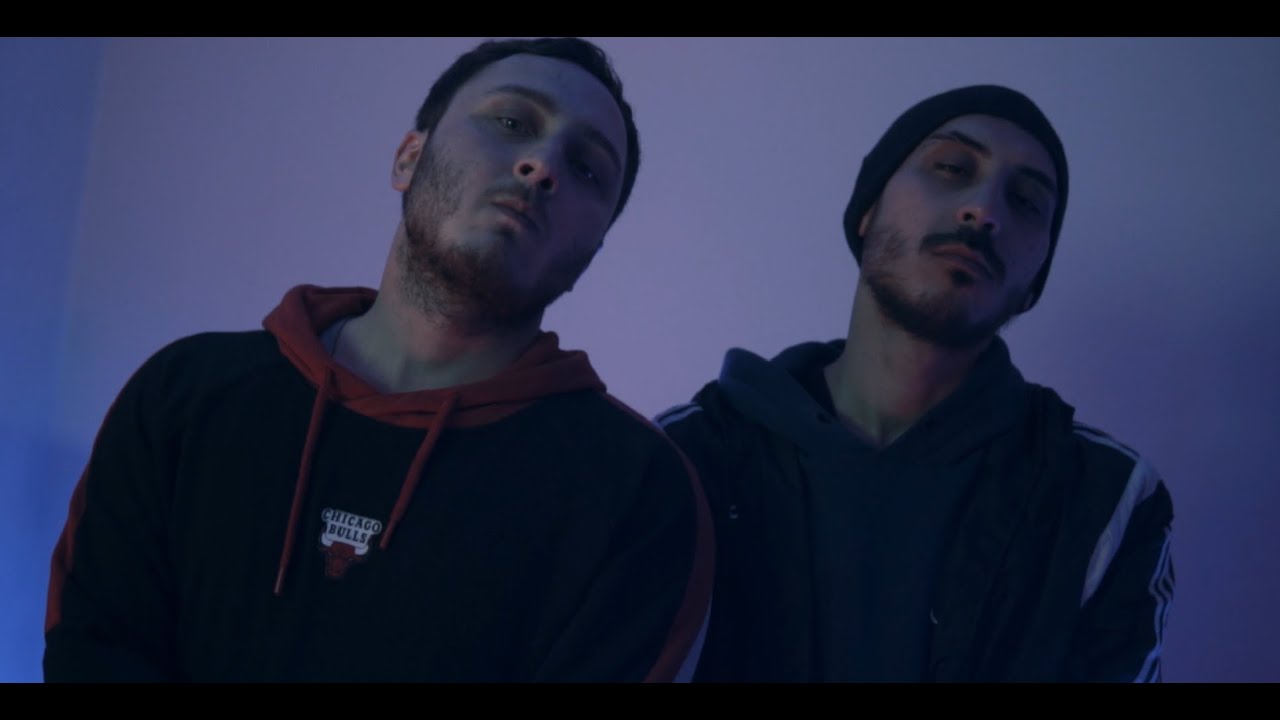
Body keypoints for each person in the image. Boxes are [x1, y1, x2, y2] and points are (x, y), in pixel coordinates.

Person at [45, 37, 713, 682]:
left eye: (588, 168)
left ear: (591, 253)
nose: (543, 166)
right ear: (408, 160)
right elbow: (94, 649)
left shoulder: (636, 493)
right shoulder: (186, 397)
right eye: (512, 122)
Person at [658, 85, 1174, 682]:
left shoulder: (1105, 499)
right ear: (868, 210)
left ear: (1034, 284)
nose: (984, 211)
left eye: (1027, 202)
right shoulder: (682, 458)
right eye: (952, 168)